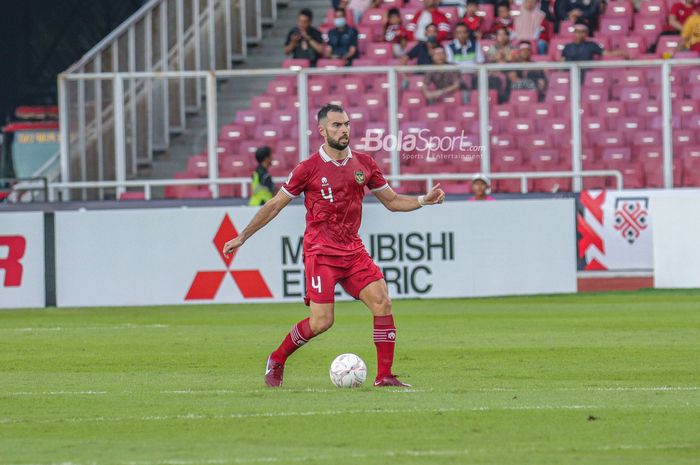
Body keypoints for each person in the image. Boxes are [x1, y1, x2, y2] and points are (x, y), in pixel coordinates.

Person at [222, 104, 446, 388]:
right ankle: (277, 359)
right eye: (337, 125)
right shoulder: (307, 168)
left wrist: (423, 200)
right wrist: (242, 236)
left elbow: (391, 201)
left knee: (382, 302)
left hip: (353, 251)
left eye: (346, 124)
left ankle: (384, 376)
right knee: (321, 322)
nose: (344, 130)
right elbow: (275, 205)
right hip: (321, 253)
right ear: (322, 130)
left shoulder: (364, 163)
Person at [561, 23, 626, 61]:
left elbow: (606, 53)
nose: (579, 34)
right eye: (577, 32)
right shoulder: (567, 47)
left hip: (586, 74)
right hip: (569, 74)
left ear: (586, 33)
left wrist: (621, 53)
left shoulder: (591, 45)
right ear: (574, 33)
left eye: (582, 32)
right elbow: (562, 61)